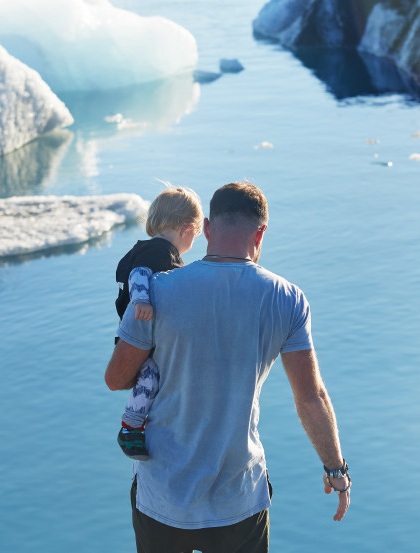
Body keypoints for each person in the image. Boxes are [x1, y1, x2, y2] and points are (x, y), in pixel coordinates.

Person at [105, 181, 350, 552]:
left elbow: (116, 378)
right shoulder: (287, 298)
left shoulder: (157, 290)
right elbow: (310, 396)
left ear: (206, 228)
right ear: (261, 232)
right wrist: (336, 470)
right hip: (239, 498)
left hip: (162, 495)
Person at [114, 186, 204, 460]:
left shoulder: (139, 249)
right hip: (141, 334)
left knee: (151, 379)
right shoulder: (161, 253)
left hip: (131, 333)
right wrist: (141, 299)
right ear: (187, 229)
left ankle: (137, 424)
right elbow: (140, 275)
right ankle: (130, 428)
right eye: (195, 236)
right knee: (151, 377)